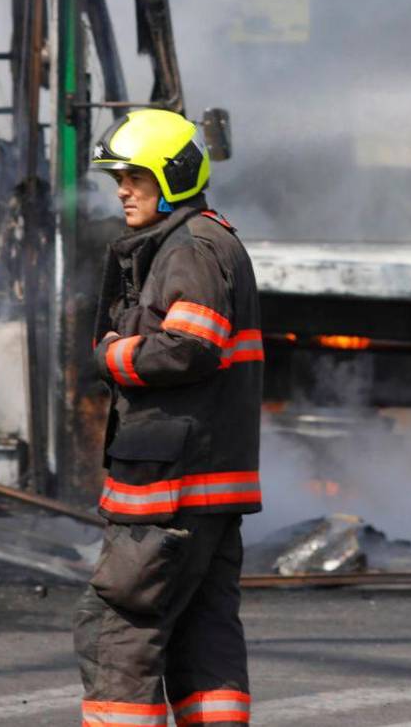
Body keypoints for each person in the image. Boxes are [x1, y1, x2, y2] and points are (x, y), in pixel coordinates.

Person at [74, 108, 262, 727]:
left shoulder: (190, 251)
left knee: (120, 631)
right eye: (118, 178)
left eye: (135, 176)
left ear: (174, 177)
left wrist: (111, 354)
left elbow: (188, 347)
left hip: (169, 490)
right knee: (203, 640)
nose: (122, 189)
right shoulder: (206, 240)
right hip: (203, 486)